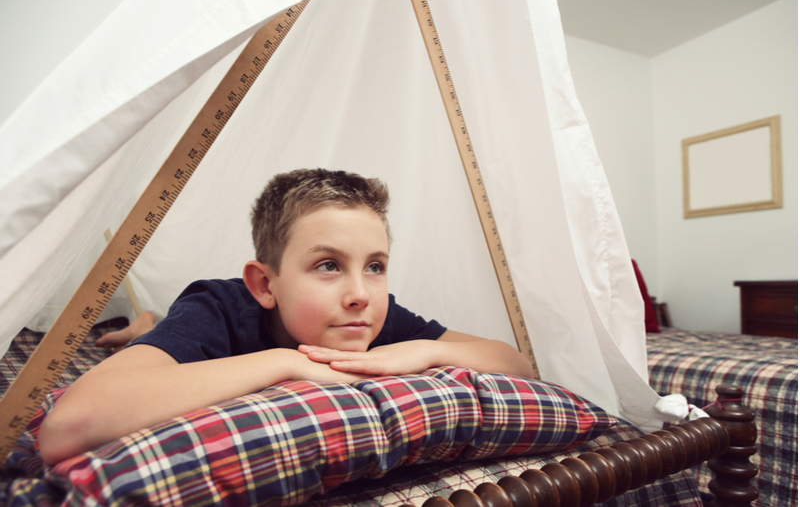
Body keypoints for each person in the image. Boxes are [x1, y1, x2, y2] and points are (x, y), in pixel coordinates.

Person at [39, 168, 535, 464]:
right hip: (182, 335)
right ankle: (143, 324)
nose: (360, 292)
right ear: (265, 284)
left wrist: (425, 350)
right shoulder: (217, 306)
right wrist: (287, 362)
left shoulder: (371, 316)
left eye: (376, 266)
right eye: (327, 266)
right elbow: (69, 426)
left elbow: (514, 362)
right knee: (145, 339)